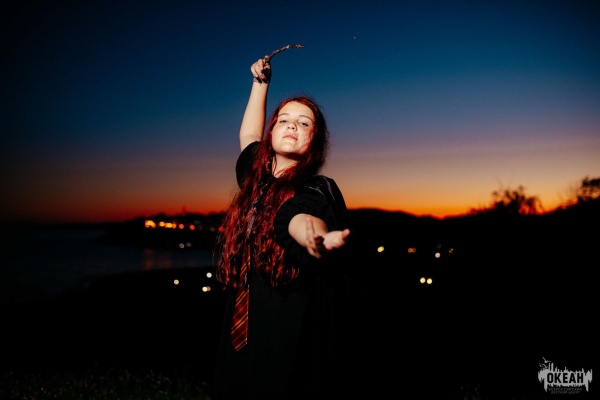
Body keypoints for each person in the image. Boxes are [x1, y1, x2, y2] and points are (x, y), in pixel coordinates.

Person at [211, 53, 353, 400]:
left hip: (288, 314)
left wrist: (314, 236)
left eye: (304, 123)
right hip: (245, 309)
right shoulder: (254, 177)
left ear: (314, 141)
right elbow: (248, 133)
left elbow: (297, 218)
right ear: (272, 131)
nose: (292, 126)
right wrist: (260, 83)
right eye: (284, 120)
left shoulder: (317, 188)